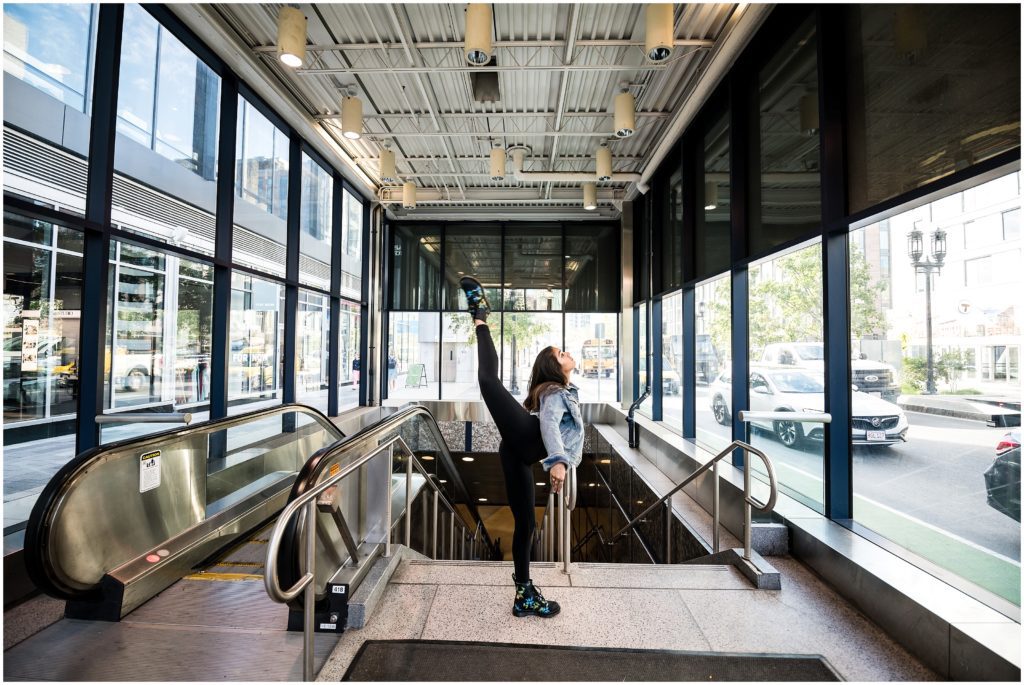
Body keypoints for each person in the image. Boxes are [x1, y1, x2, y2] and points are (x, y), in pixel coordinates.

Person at [460, 276, 583, 618]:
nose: (567, 353)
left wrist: (561, 463)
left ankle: (524, 594)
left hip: (517, 451)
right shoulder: (557, 394)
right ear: (554, 367)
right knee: (488, 382)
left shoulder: (560, 391)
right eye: (561, 353)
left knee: (526, 524)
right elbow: (547, 426)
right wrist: (558, 462)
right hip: (525, 437)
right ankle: (480, 316)